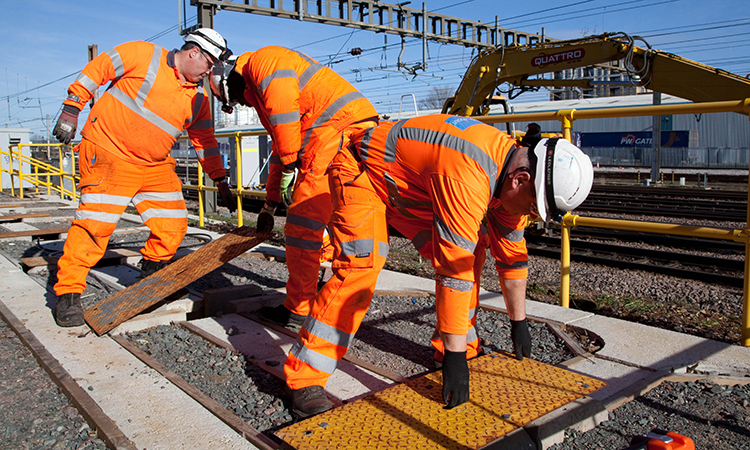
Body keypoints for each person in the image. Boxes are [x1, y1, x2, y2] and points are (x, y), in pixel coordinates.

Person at [281, 115, 594, 418]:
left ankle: (457, 344)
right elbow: (453, 273)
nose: (531, 216)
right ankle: (306, 378)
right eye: (533, 209)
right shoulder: (468, 175)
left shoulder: (510, 168)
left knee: (476, 248)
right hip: (362, 173)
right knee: (361, 264)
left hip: (405, 187)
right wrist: (456, 364)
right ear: (521, 180)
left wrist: (519, 322)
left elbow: (511, 255)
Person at [51, 28, 235, 328]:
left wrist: (220, 180)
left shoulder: (198, 100)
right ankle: (69, 292)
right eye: (209, 65)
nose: (208, 73)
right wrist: (72, 110)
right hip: (109, 152)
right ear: (193, 53)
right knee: (94, 227)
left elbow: (205, 141)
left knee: (173, 225)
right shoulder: (142, 54)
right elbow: (97, 70)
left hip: (153, 165)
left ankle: (151, 280)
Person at [209, 46, 379, 331]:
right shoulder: (261, 85)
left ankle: (299, 308)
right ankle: (335, 290)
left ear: (231, 77)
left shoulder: (265, 62)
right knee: (342, 216)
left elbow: (285, 135)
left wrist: (290, 163)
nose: (241, 104)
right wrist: (270, 205)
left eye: (235, 99)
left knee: (302, 225)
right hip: (345, 129)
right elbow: (281, 146)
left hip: (332, 132)